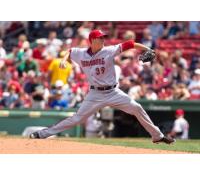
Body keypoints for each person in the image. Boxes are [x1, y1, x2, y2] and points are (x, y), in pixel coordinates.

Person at [30, 29, 175, 144]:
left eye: (103, 37)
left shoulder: (109, 50)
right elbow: (69, 51)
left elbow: (130, 44)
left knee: (137, 108)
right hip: (95, 94)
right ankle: (42, 134)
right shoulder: (81, 54)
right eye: (100, 37)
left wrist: (148, 48)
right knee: (77, 119)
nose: (103, 39)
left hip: (113, 92)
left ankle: (157, 136)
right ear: (92, 40)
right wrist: (63, 60)